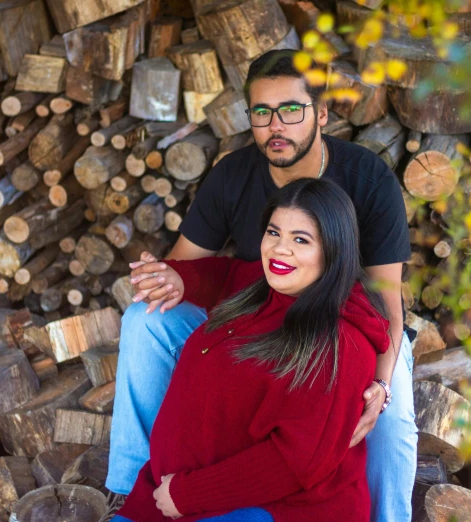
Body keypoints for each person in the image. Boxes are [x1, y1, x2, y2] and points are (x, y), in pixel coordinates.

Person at [108, 49, 417, 521]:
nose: (277, 125)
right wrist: (170, 276)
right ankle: (135, 488)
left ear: (321, 113)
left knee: (386, 421)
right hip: (265, 316)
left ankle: (389, 516)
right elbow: (197, 270)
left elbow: (387, 304)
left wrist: (380, 383)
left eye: (291, 110)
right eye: (262, 112)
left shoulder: (367, 179)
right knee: (144, 319)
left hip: (355, 330)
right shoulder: (233, 173)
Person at [112, 179, 391, 522]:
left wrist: (188, 494)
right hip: (167, 496)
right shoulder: (265, 287)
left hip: (268, 511)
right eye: (274, 233)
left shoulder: (340, 344)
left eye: (300, 240)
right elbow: (228, 274)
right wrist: (180, 277)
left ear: (334, 250)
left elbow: (295, 464)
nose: (279, 249)